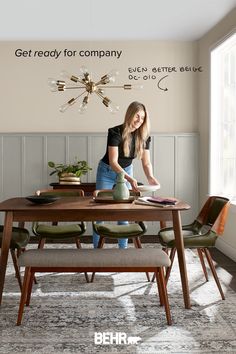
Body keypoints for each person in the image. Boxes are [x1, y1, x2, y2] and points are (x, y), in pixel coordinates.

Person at [93, 101, 160, 248]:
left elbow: (146, 163)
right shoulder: (115, 132)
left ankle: (122, 250)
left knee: (124, 211)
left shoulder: (143, 136)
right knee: (99, 214)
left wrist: (150, 177)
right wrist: (130, 178)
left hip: (127, 171)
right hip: (107, 171)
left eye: (142, 118)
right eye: (137, 116)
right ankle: (96, 250)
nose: (139, 121)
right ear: (130, 114)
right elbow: (113, 162)